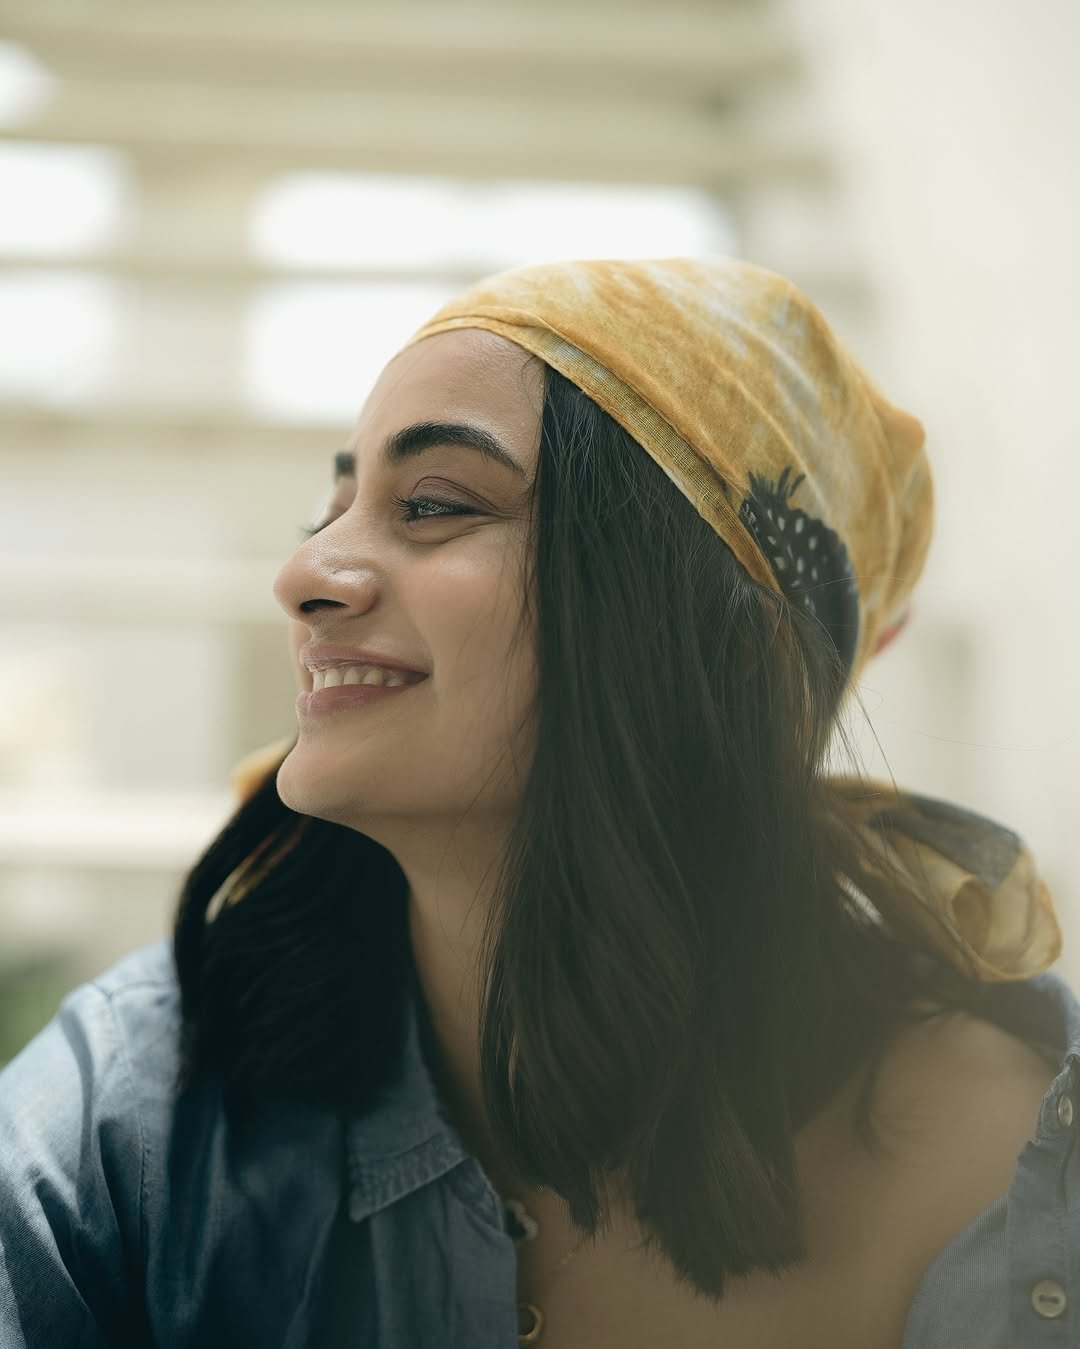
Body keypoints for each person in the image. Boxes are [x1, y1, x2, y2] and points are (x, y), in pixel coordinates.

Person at [0, 257, 1074, 1349]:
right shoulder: (141, 1107)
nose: (304, 574)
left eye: (432, 504)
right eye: (331, 511)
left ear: (733, 647)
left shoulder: (1014, 1165)